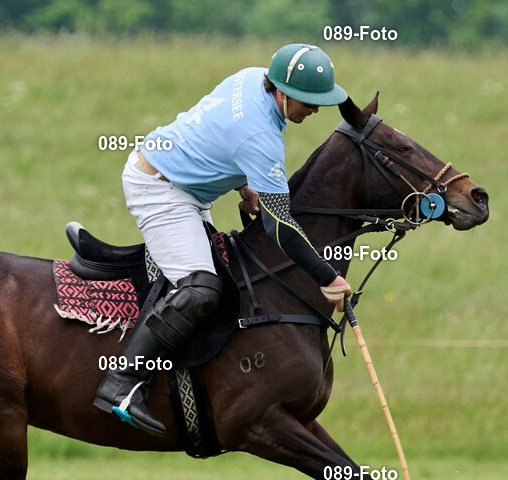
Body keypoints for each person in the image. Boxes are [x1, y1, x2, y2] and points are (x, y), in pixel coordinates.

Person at [93, 44, 353, 436]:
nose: (315, 110)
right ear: (281, 92)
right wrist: (326, 276)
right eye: (308, 101)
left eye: (321, 102)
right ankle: (121, 383)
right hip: (160, 189)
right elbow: (278, 226)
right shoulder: (260, 138)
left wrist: (245, 184)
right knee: (201, 289)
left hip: (185, 185)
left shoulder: (252, 78)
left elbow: (212, 133)